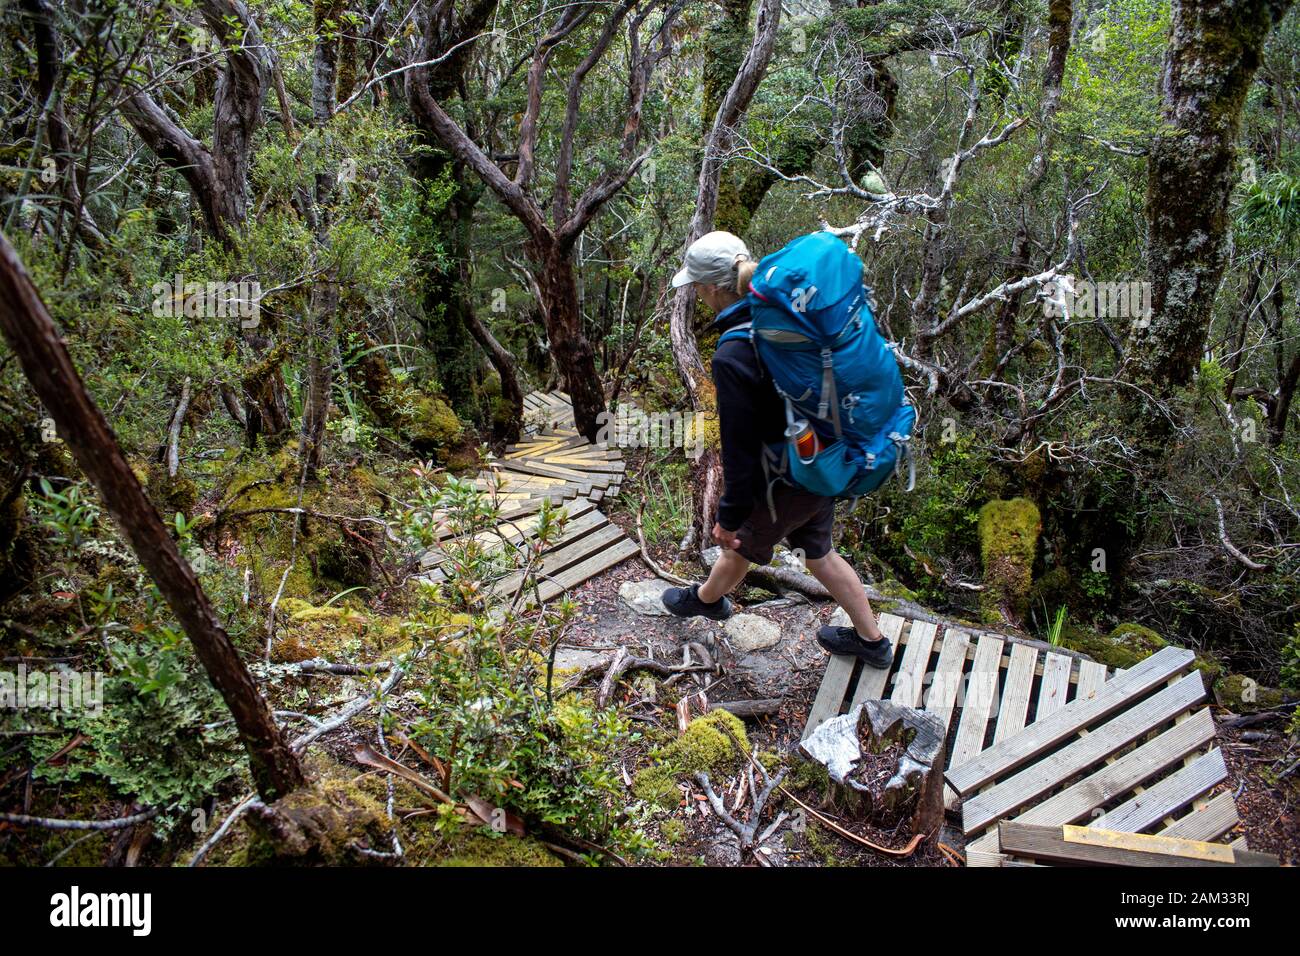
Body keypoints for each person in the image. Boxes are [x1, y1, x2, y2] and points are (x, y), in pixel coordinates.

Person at [660, 231, 894, 668]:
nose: (695, 292)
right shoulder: (785, 316)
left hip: (784, 480)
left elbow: (741, 448)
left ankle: (705, 600)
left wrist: (728, 517)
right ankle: (873, 642)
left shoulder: (733, 352)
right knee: (819, 555)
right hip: (822, 460)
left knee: (737, 550)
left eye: (695, 285)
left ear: (712, 288)